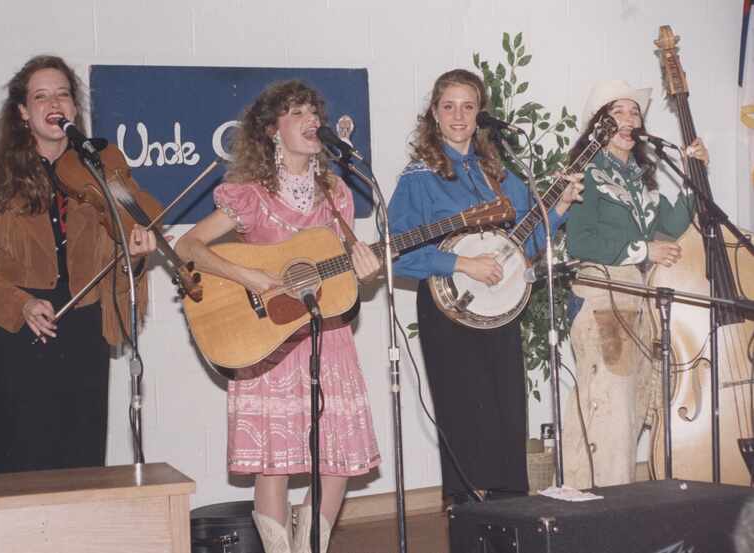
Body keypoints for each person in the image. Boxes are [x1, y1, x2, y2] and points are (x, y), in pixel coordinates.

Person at [175, 80, 381, 553]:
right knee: (275, 461)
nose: (311, 121)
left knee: (335, 460)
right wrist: (246, 275)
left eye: (314, 112)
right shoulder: (250, 195)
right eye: (296, 113)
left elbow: (345, 263)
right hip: (268, 340)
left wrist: (365, 270)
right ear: (272, 130)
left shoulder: (336, 194)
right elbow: (188, 247)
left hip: (328, 336)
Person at [386, 68, 583, 549]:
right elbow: (395, 248)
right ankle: (469, 525)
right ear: (433, 114)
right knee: (463, 415)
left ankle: (509, 524)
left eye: (468, 106)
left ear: (480, 115)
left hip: (502, 314)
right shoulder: (418, 178)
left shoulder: (501, 174)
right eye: (448, 106)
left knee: (506, 414)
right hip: (447, 313)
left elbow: (526, 243)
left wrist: (558, 208)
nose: (458, 116)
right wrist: (460, 262)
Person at [0, 55, 157, 474]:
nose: (53, 102)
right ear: (23, 112)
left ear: (74, 108)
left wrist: (138, 255)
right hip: (18, 333)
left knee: (83, 459)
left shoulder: (102, 168)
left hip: (85, 328)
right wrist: (18, 303)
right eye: (41, 96)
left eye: (62, 93)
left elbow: (122, 251)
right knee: (23, 462)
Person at [562, 80, 709, 489]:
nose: (629, 120)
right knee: (608, 411)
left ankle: (600, 504)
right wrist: (643, 250)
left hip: (634, 299)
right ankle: (599, 510)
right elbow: (580, 242)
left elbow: (672, 224)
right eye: (618, 112)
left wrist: (692, 174)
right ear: (599, 125)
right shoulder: (587, 174)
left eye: (635, 112)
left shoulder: (636, 178)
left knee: (624, 411)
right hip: (601, 296)